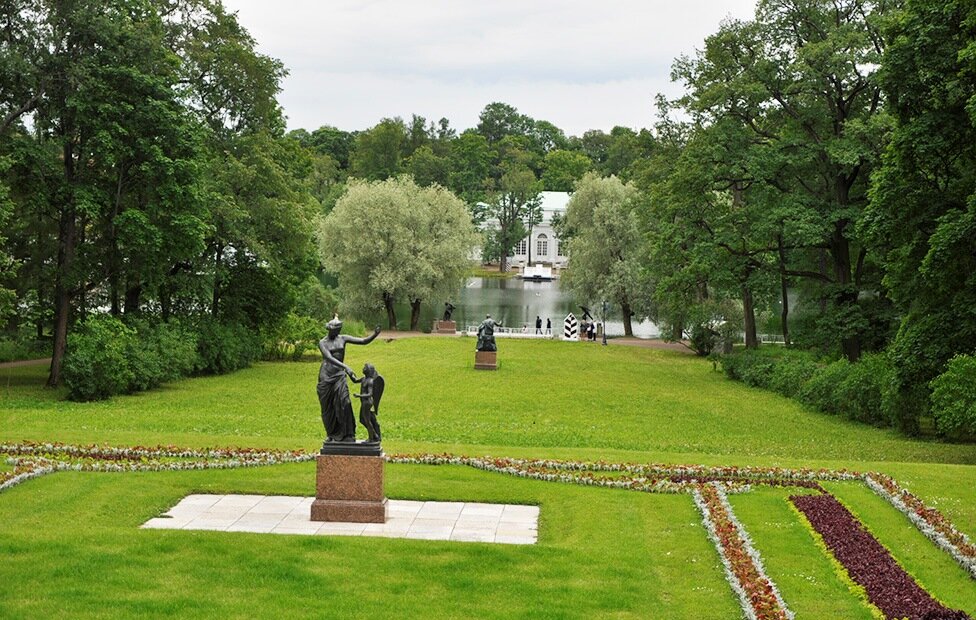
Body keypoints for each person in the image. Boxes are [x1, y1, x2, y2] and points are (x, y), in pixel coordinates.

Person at [317, 314, 381, 443]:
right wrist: (346, 367)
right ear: (330, 329)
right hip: (326, 375)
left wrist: (375, 334)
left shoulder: (343, 338)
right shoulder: (322, 342)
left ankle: (348, 434)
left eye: (339, 330)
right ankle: (331, 434)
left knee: (344, 402)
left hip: (339, 375)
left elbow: (363, 341)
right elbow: (328, 357)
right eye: (336, 330)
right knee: (327, 407)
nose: (338, 332)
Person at [352, 363, 384, 443]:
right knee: (362, 420)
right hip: (364, 402)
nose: (363, 368)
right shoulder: (363, 379)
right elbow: (355, 380)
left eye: (365, 368)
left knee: (367, 420)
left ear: (368, 370)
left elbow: (370, 394)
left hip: (367, 402)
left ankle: (371, 438)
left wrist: (359, 395)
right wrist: (350, 373)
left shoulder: (370, 381)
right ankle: (375, 435)